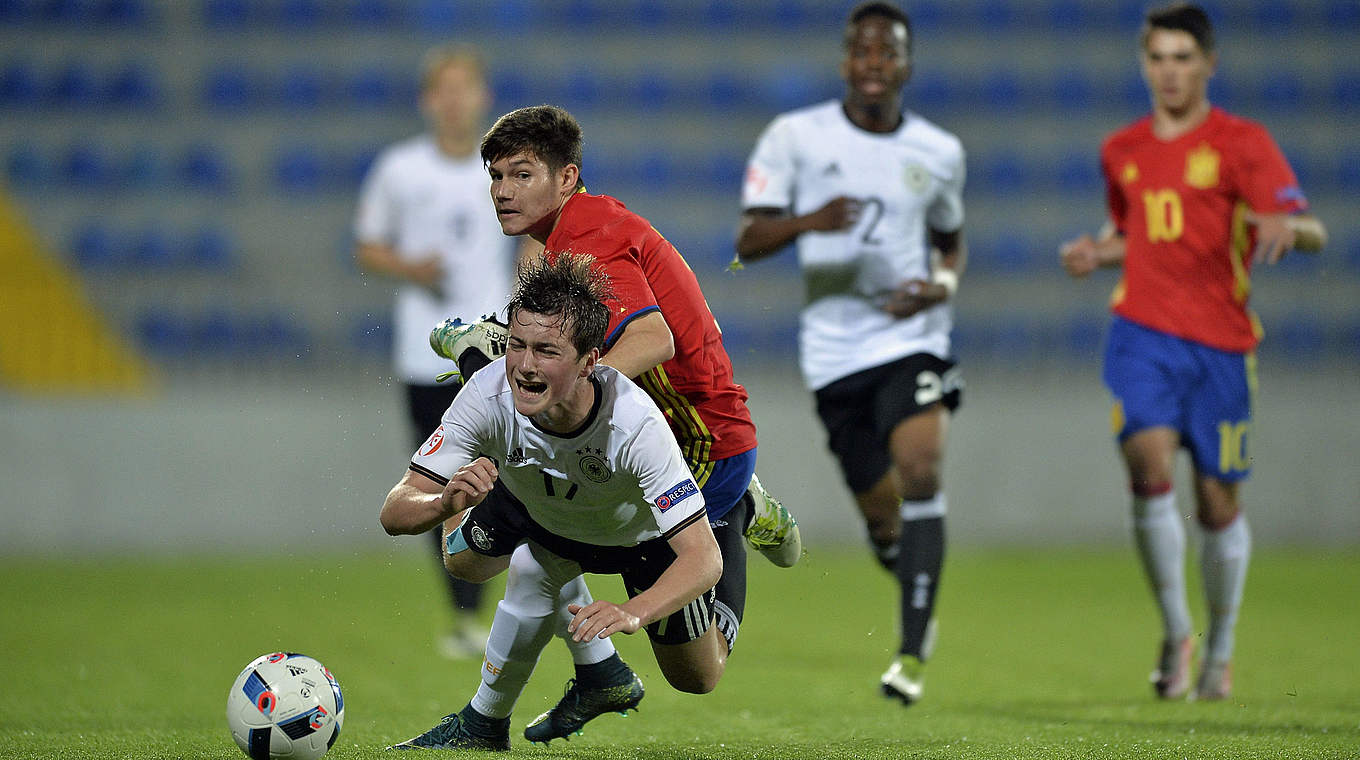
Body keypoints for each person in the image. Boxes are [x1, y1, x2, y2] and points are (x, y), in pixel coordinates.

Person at [413, 103, 802, 747]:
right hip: (646, 434)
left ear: (567, 179)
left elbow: (654, 337)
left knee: (696, 673)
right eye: (495, 175)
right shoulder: (560, 240)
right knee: (502, 550)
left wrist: (535, 387)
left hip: (700, 441)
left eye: (521, 174)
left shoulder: (587, 235)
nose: (502, 190)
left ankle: (736, 512)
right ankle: (578, 683)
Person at [1059, 4, 1327, 702]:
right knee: (1147, 461)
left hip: (1222, 346)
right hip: (1141, 334)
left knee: (1215, 502)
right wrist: (1098, 250)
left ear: (1208, 63)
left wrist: (1289, 227)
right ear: (1144, 64)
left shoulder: (1243, 142)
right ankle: (1179, 632)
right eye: (1158, 57)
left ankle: (1222, 648)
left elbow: (1314, 230)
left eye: (1183, 57)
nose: (1170, 71)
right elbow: (1137, 233)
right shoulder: (1122, 149)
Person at [379, 253, 725, 751]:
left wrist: (633, 611)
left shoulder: (635, 423)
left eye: (546, 350)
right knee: (470, 562)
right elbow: (395, 511)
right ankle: (495, 721)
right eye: (515, 345)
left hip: (639, 536)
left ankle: (743, 508)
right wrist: (444, 500)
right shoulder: (488, 394)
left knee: (699, 676)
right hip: (542, 507)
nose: (523, 365)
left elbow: (703, 557)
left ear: (590, 362)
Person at [734, 1, 965, 707]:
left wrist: (942, 287)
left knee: (922, 466)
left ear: (906, 65)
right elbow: (747, 241)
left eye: (887, 53)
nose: (874, 65)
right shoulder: (795, 136)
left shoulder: (939, 152)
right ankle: (912, 576)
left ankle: (911, 653)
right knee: (884, 518)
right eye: (862, 53)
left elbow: (950, 239)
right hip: (835, 357)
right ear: (846, 63)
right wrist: (811, 220)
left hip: (911, 341)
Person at [353, 45, 521, 658]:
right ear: (429, 101)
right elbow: (367, 246)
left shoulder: (502, 167)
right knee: (438, 478)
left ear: (483, 97)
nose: (454, 101)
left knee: (514, 472)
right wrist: (410, 267)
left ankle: (519, 602)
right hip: (426, 354)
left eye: (464, 88)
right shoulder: (400, 169)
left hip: (501, 350)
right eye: (443, 90)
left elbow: (533, 235)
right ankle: (464, 613)